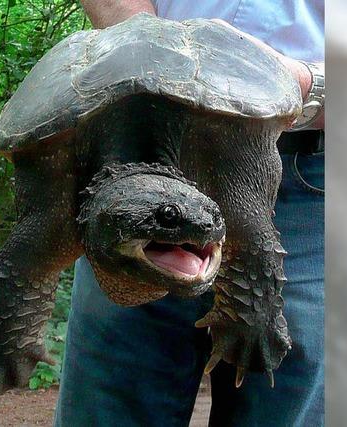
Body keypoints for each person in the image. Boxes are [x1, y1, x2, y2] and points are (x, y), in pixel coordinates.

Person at [55, 1, 325, 426]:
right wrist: (146, 45)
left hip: (308, 169)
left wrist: (309, 85)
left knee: (279, 399)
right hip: (139, 139)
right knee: (111, 401)